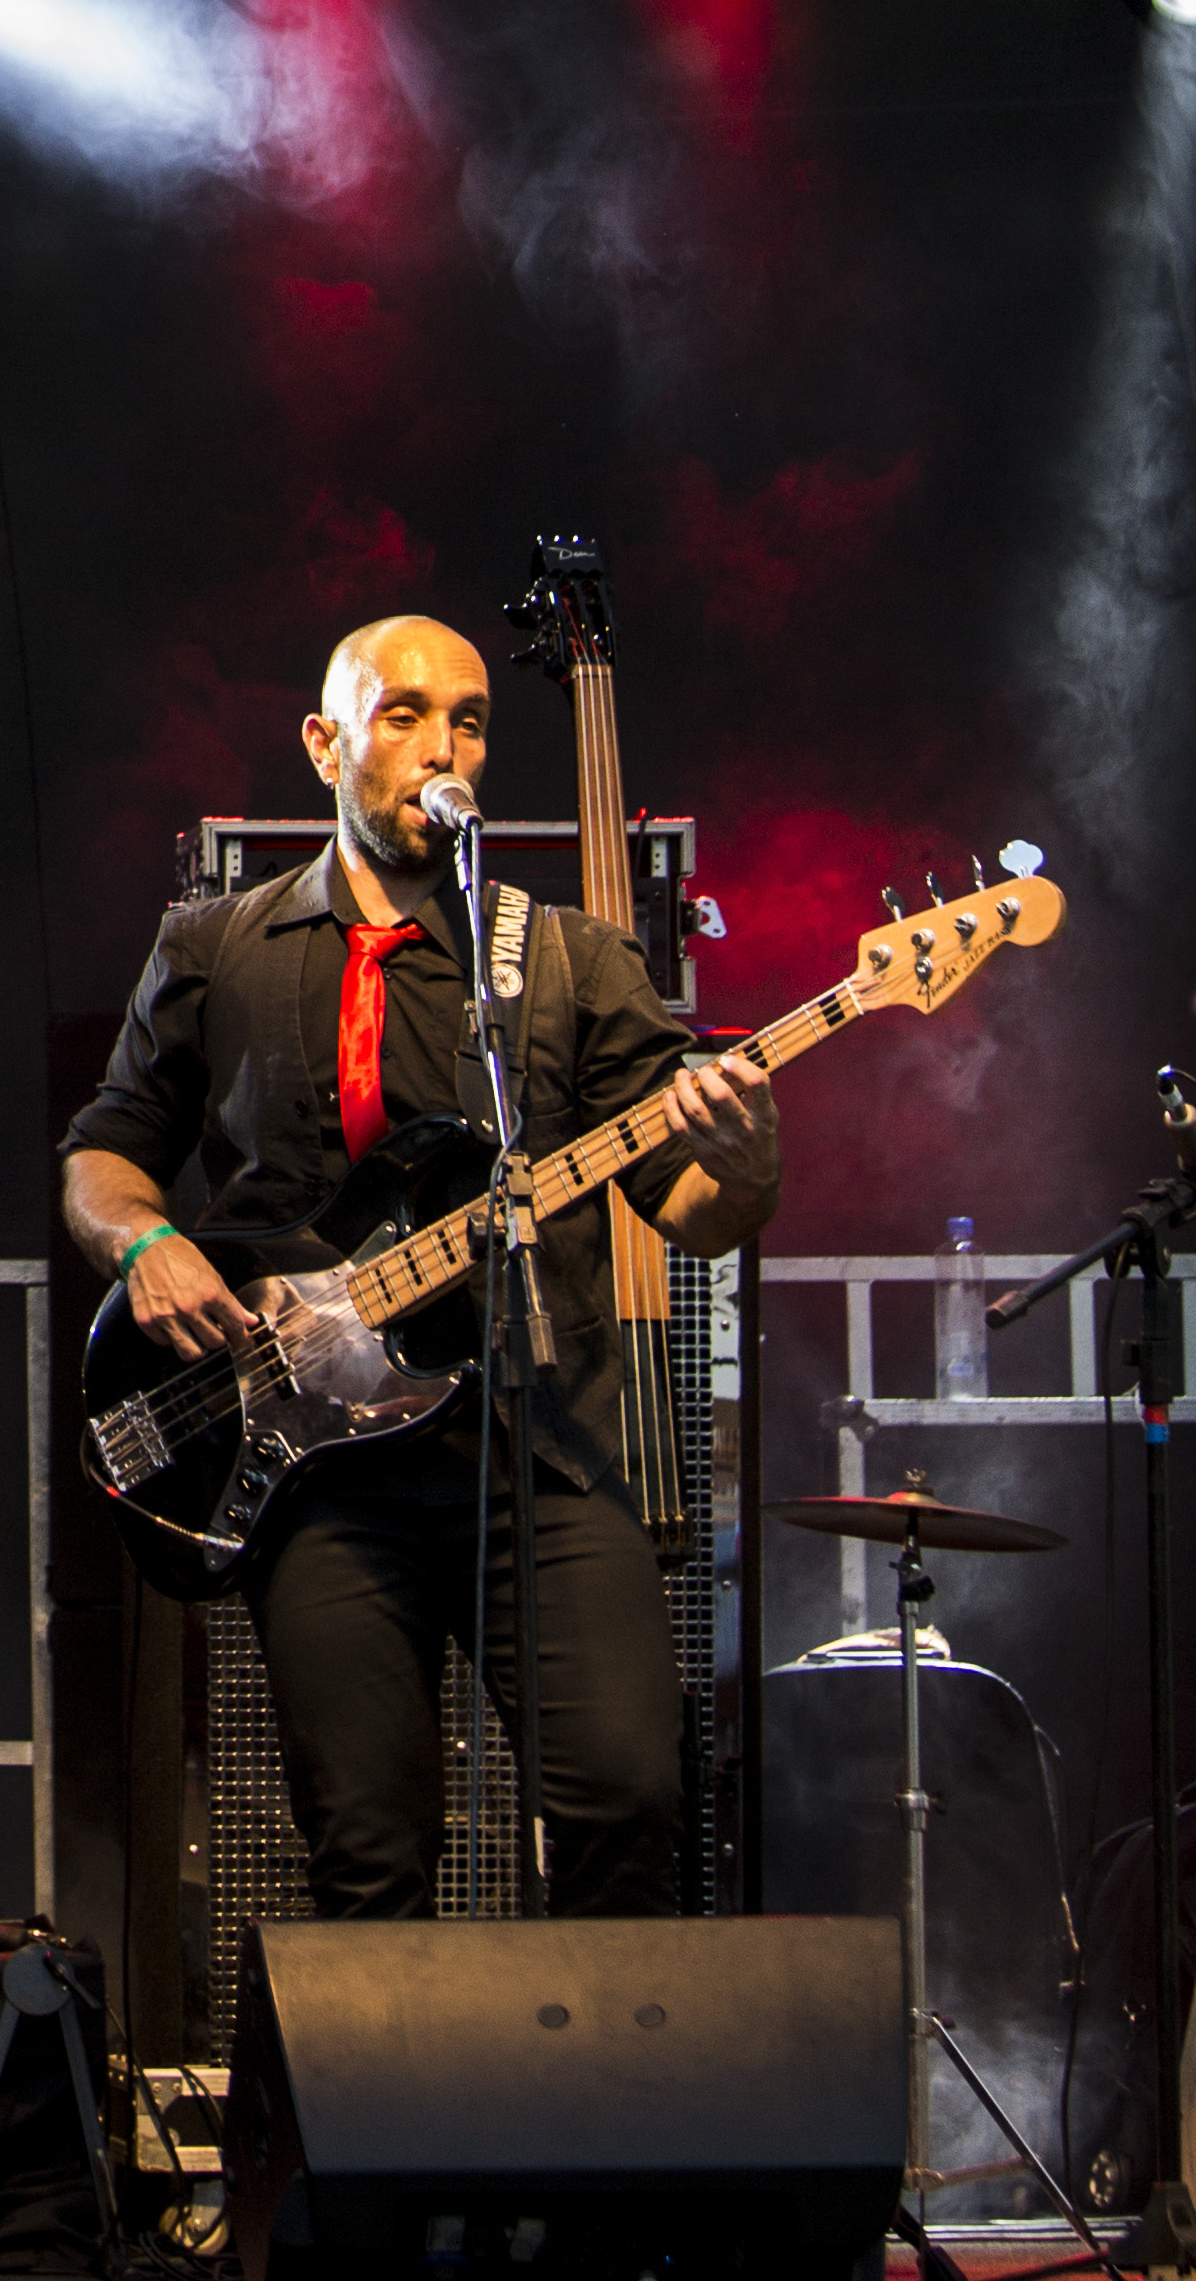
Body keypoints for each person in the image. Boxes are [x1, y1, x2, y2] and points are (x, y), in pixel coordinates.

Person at [59, 610, 778, 1920]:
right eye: (404, 714)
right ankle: (383, 2125)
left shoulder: (565, 961)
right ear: (326, 744)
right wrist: (150, 1244)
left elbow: (690, 1208)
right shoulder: (214, 946)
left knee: (631, 1798)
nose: (444, 745)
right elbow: (105, 1156)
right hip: (320, 1472)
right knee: (370, 1852)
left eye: (469, 719)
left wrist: (734, 1154)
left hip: (544, 1447)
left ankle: (602, 2115)